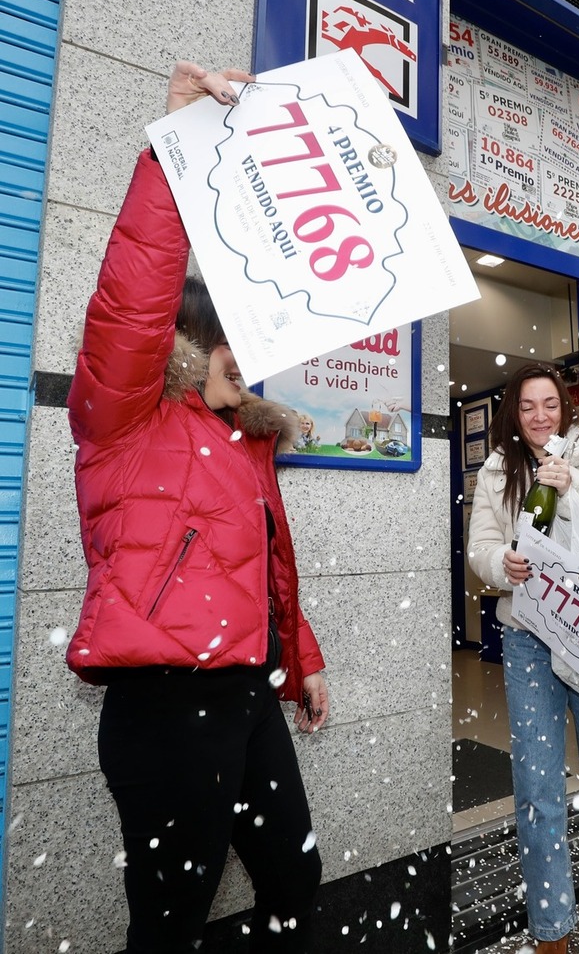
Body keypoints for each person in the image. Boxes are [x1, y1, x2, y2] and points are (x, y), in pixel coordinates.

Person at [66, 61, 329, 953]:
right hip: (167, 705)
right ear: (189, 334)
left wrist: (304, 659)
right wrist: (169, 152)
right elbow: (130, 299)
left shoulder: (248, 440)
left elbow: (269, 563)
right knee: (170, 920)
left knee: (295, 878)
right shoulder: (126, 415)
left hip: (250, 694)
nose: (243, 356)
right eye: (227, 336)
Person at [467, 363, 579, 954]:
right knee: (537, 784)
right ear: (513, 414)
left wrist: (578, 487)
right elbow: (482, 548)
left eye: (550, 404)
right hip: (528, 636)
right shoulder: (497, 469)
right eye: (528, 406)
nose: (540, 415)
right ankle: (552, 927)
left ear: (565, 408)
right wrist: (503, 568)